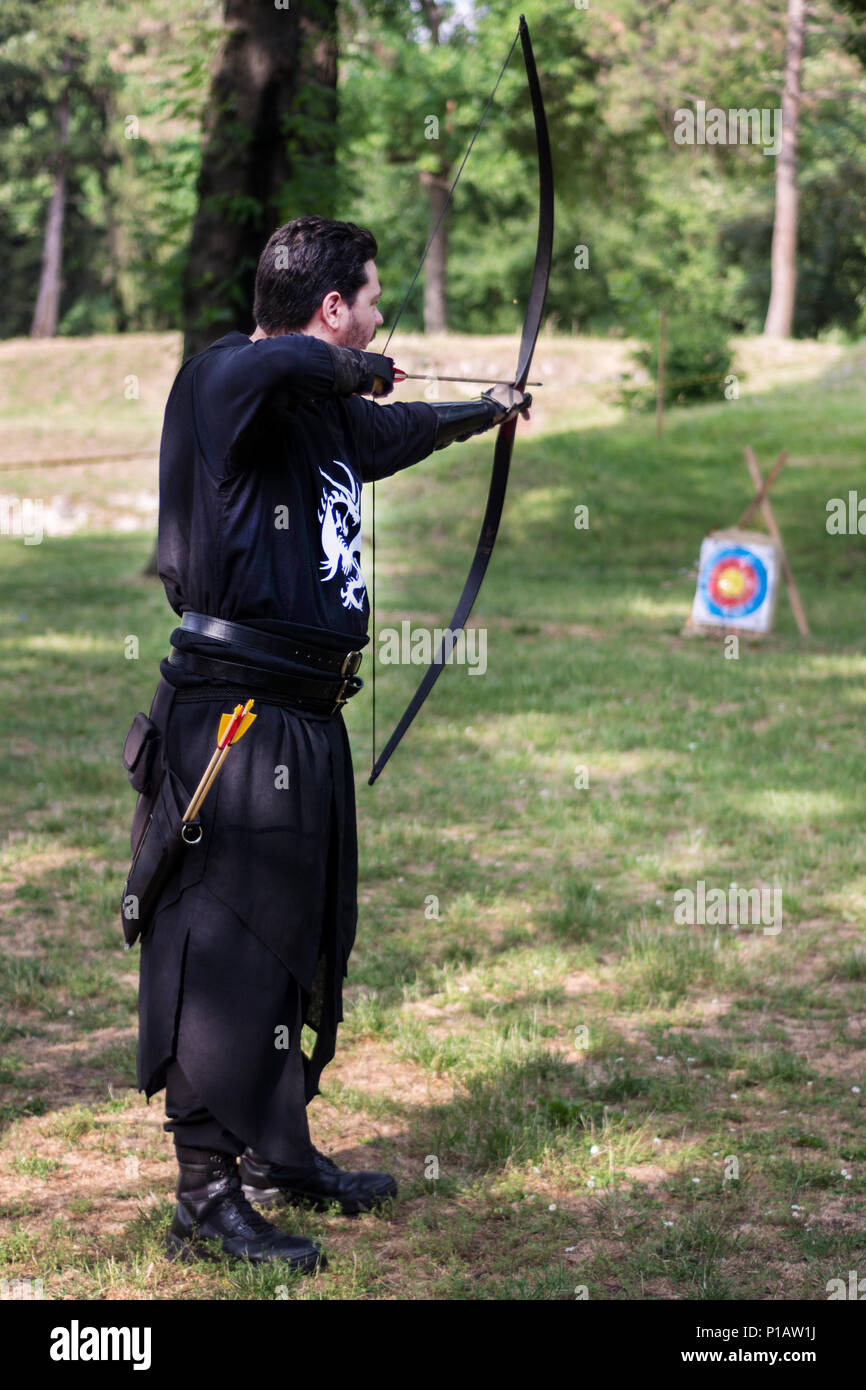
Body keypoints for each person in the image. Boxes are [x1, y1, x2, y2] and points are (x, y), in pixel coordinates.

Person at [125, 215, 530, 1272]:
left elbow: (398, 433)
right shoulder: (222, 385)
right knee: (228, 945)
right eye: (371, 295)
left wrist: (483, 412)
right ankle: (203, 1200)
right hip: (234, 719)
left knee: (302, 939)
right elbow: (291, 358)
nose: (382, 309)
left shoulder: (319, 418)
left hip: (304, 720)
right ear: (330, 307)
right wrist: (365, 367)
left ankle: (277, 1153)